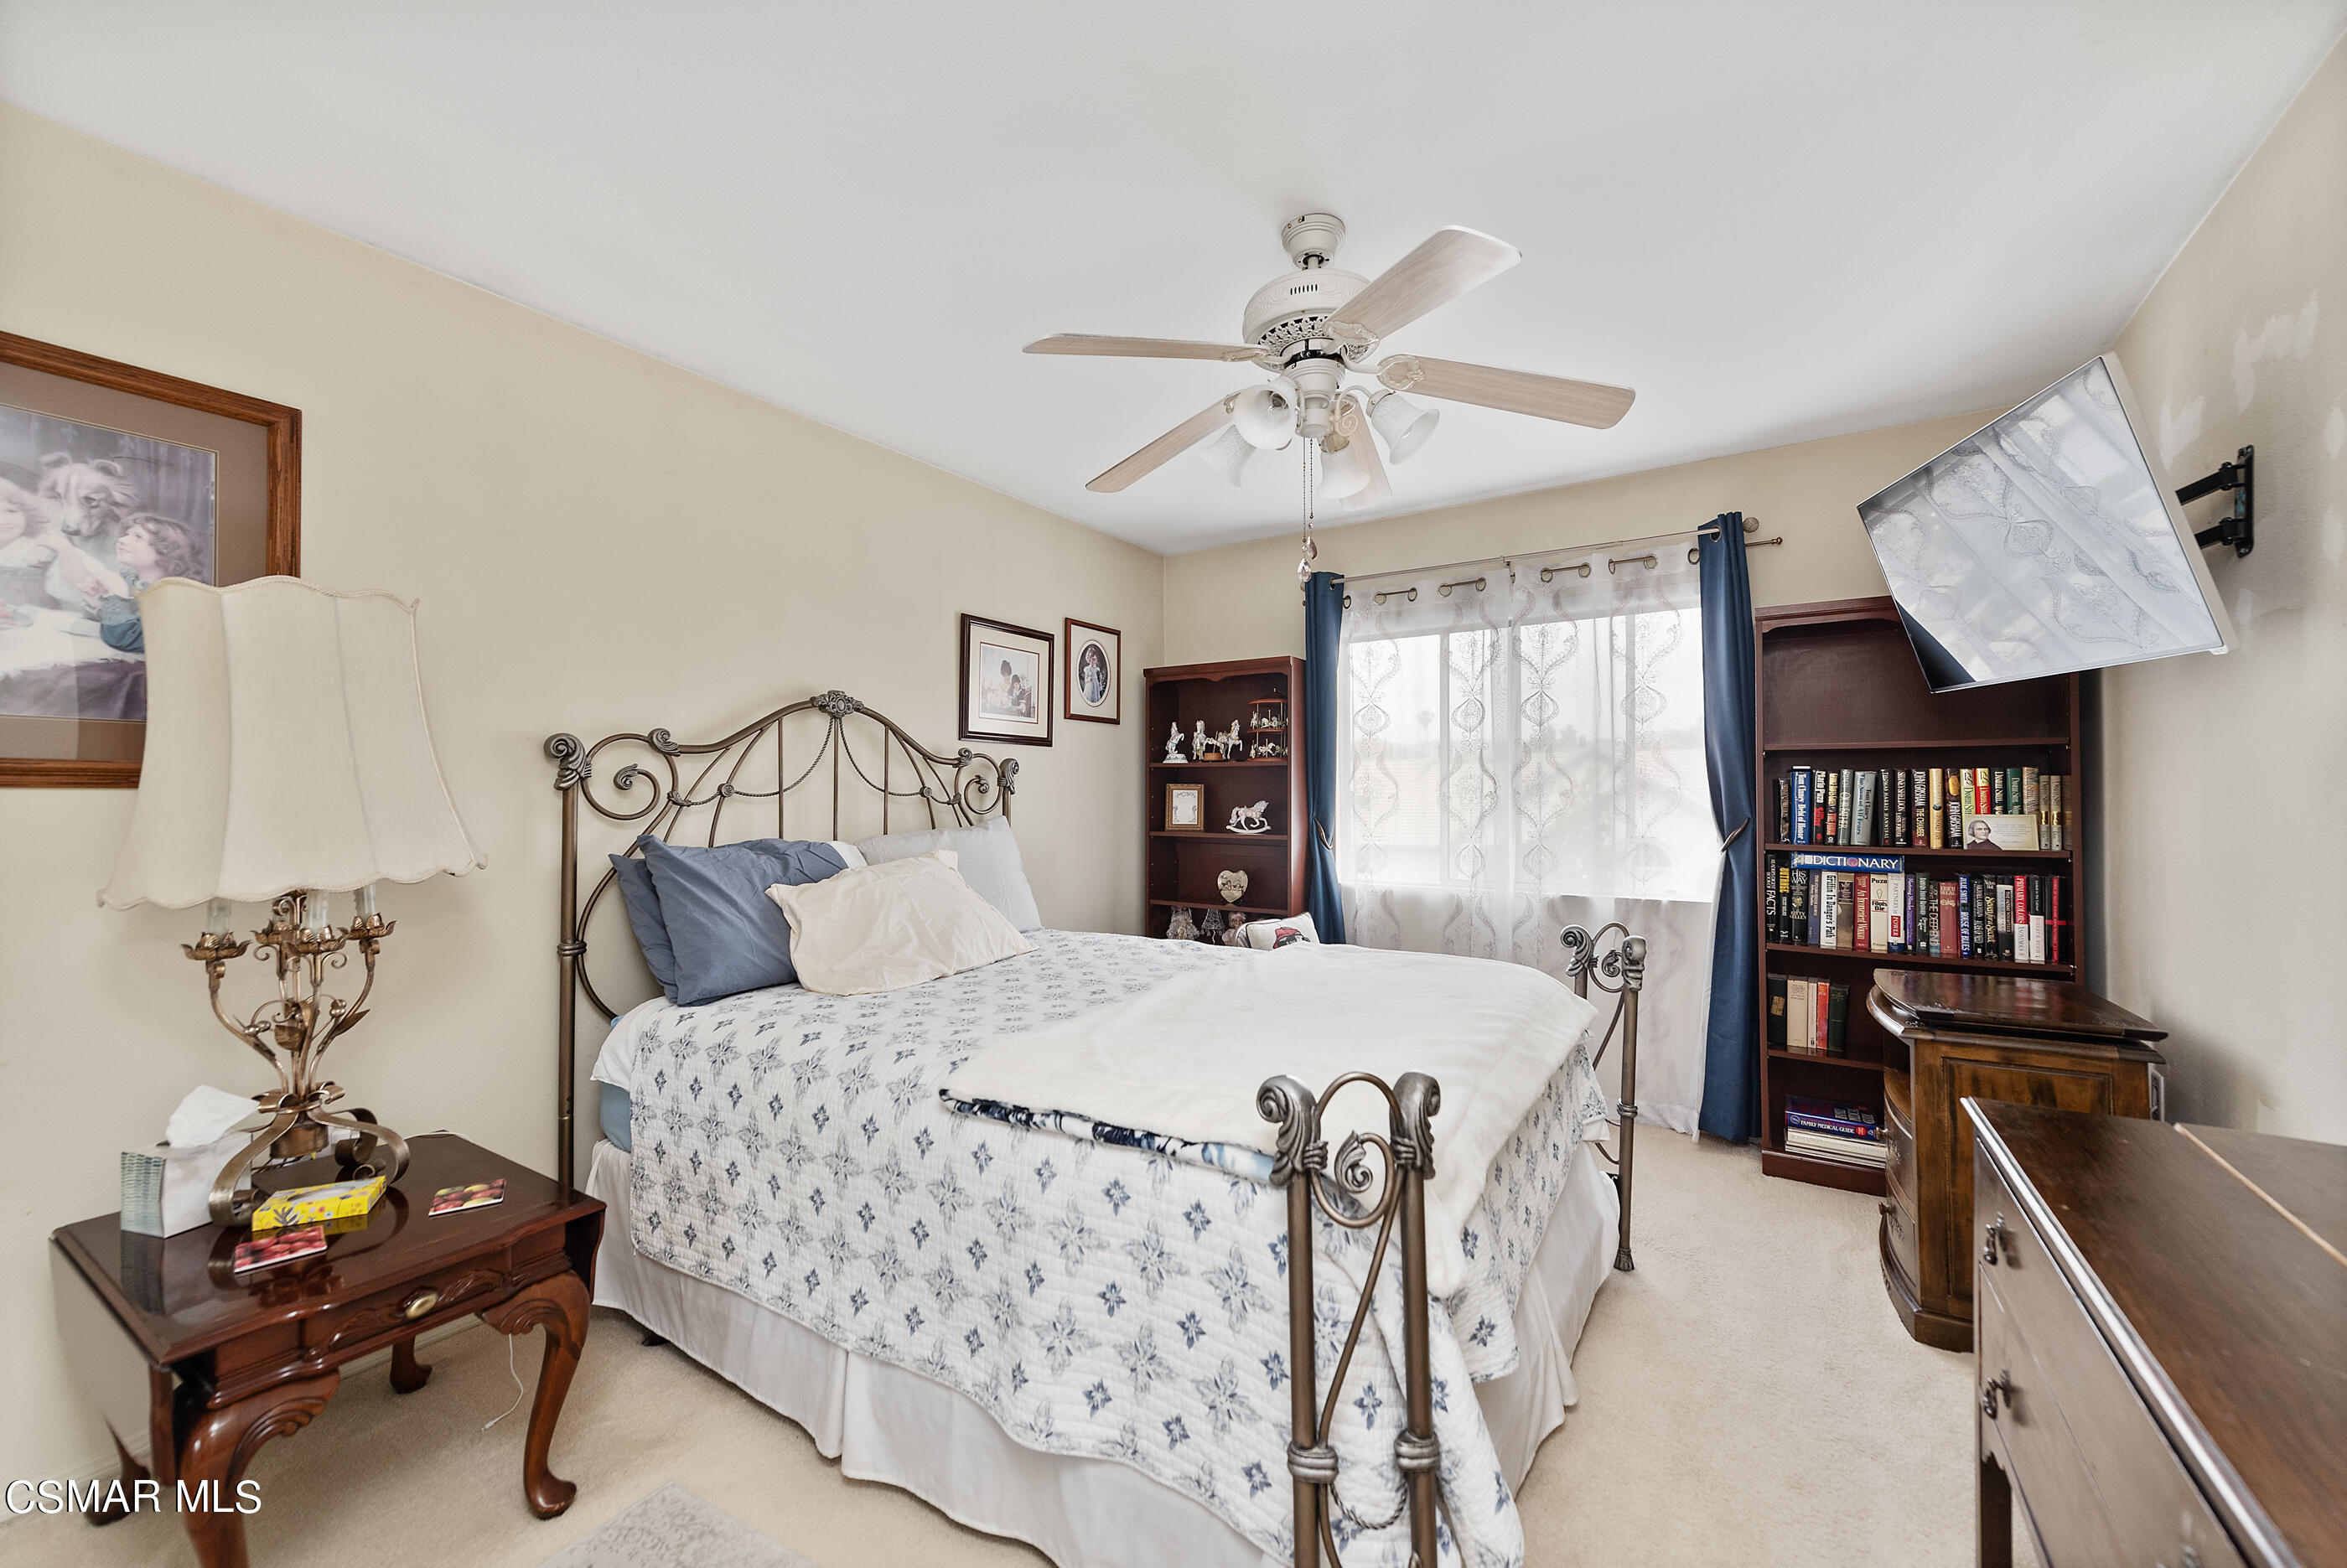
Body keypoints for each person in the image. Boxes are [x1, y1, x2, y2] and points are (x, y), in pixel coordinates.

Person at [60, 514, 204, 654]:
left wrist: (116, 592)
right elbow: (104, 628)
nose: (122, 540)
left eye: (138, 537)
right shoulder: (127, 580)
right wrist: (96, 603)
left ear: (167, 553)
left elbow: (123, 640)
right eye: (126, 534)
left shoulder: (174, 596)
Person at [1078, 642, 1109, 706]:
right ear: (1089, 659)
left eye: (1095, 659)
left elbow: (1099, 681)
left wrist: (1100, 679)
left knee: (1096, 698)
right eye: (1093, 659)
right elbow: (1086, 680)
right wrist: (1088, 679)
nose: (1095, 661)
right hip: (1090, 687)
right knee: (1090, 697)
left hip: (1096, 687)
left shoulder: (1097, 669)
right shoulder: (1087, 669)